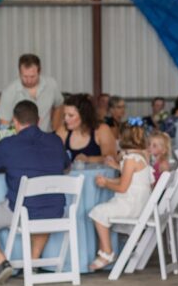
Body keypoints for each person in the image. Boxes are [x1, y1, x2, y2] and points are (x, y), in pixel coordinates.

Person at [0, 101, 70, 285]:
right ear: (38, 120)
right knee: (44, 207)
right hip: (56, 210)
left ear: (14, 121)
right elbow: (67, 168)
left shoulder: (8, 144)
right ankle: (32, 263)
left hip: (22, 210)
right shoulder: (55, 140)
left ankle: (1, 263)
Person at [88, 120, 153, 272]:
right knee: (102, 211)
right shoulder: (140, 156)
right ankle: (109, 251)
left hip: (131, 205)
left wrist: (105, 183)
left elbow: (123, 187)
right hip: (140, 203)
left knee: (98, 213)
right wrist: (115, 169)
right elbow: (130, 178)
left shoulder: (130, 159)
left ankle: (107, 253)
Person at [0, 54, 63, 132]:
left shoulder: (51, 84)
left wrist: (55, 129)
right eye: (25, 76)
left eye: (32, 76)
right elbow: (4, 124)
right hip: (21, 140)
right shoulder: (9, 92)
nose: (28, 80)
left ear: (39, 71)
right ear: (19, 72)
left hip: (45, 137)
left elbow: (59, 105)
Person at [56, 94, 118, 164]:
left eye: (71, 115)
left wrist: (88, 159)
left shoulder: (101, 130)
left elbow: (112, 157)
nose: (65, 119)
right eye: (64, 115)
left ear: (84, 116)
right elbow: (52, 154)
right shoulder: (63, 130)